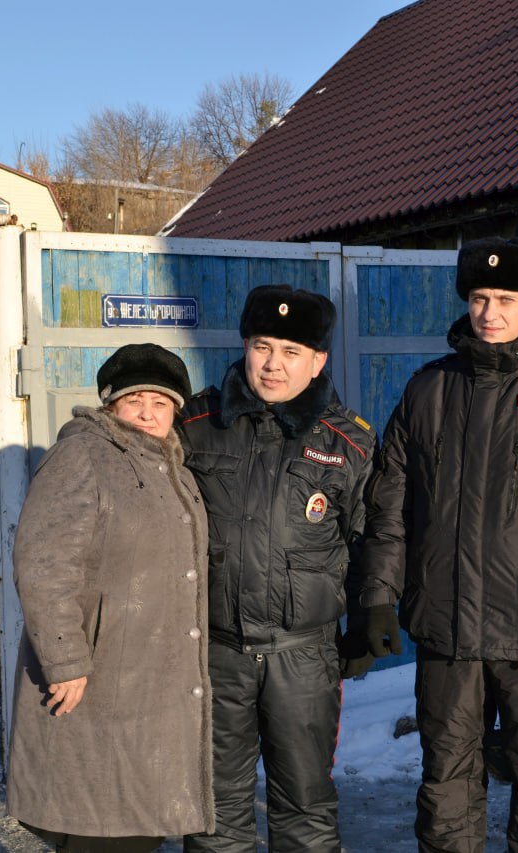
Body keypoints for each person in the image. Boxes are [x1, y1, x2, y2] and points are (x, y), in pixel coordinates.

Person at [357, 236, 518, 852]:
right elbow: (390, 508)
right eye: (478, 297)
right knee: (445, 787)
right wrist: (375, 598)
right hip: (446, 632)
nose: (489, 312)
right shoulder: (427, 392)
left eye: (505, 298)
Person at [179, 284, 377, 853]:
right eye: (264, 346)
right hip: (214, 653)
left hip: (304, 655)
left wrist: (369, 613)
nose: (273, 364)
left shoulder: (348, 443)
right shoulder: (195, 425)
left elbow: (375, 538)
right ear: (245, 345)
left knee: (306, 811)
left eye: (292, 352)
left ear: (317, 362)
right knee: (215, 813)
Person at [6, 343, 211, 853]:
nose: (148, 412)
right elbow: (44, 560)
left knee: (133, 821)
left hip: (151, 683)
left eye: (160, 403)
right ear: (110, 405)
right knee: (103, 823)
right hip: (99, 682)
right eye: (135, 399)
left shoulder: (172, 469)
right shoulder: (84, 455)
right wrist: (65, 659)